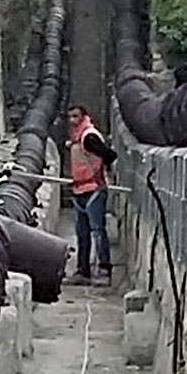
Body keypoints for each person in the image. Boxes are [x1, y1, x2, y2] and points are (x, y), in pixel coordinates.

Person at [64, 105, 117, 285]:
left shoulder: (89, 137)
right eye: (70, 117)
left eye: (75, 116)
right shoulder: (78, 138)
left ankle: (104, 270)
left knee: (97, 232)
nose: (72, 120)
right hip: (80, 190)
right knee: (82, 233)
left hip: (93, 189)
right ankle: (83, 271)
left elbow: (109, 154)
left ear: (84, 116)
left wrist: (100, 170)